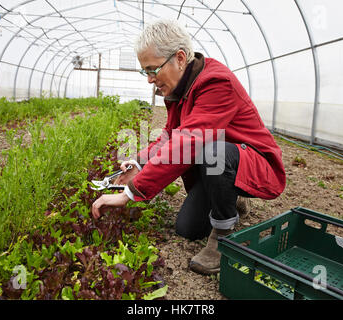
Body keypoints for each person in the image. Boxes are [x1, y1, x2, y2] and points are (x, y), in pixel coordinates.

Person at [91, 19, 286, 275]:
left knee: (212, 149)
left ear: (180, 58)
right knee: (189, 229)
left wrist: (130, 193)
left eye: (153, 69)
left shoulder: (216, 82)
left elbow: (188, 142)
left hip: (253, 164)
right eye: (145, 72)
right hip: (219, 166)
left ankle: (223, 236)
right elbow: (170, 136)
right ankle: (231, 199)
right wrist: (138, 163)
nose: (150, 79)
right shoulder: (179, 90)